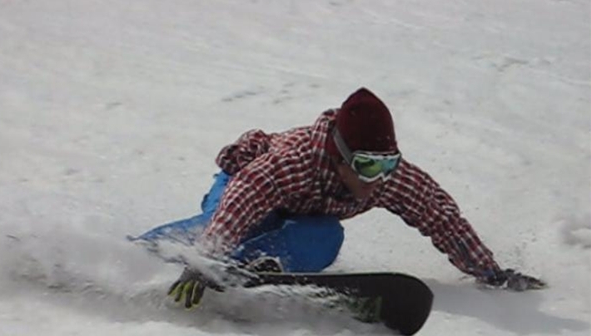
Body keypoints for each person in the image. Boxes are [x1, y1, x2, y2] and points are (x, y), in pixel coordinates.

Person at [133, 87, 544, 308]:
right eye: (367, 166)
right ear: (340, 156)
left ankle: (261, 262)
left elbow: (441, 217)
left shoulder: (387, 179)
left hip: (303, 214)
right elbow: (242, 199)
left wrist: (492, 273)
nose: (377, 179)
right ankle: (133, 257)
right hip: (242, 188)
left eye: (387, 164)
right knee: (227, 226)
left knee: (326, 237)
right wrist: (205, 259)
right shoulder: (293, 163)